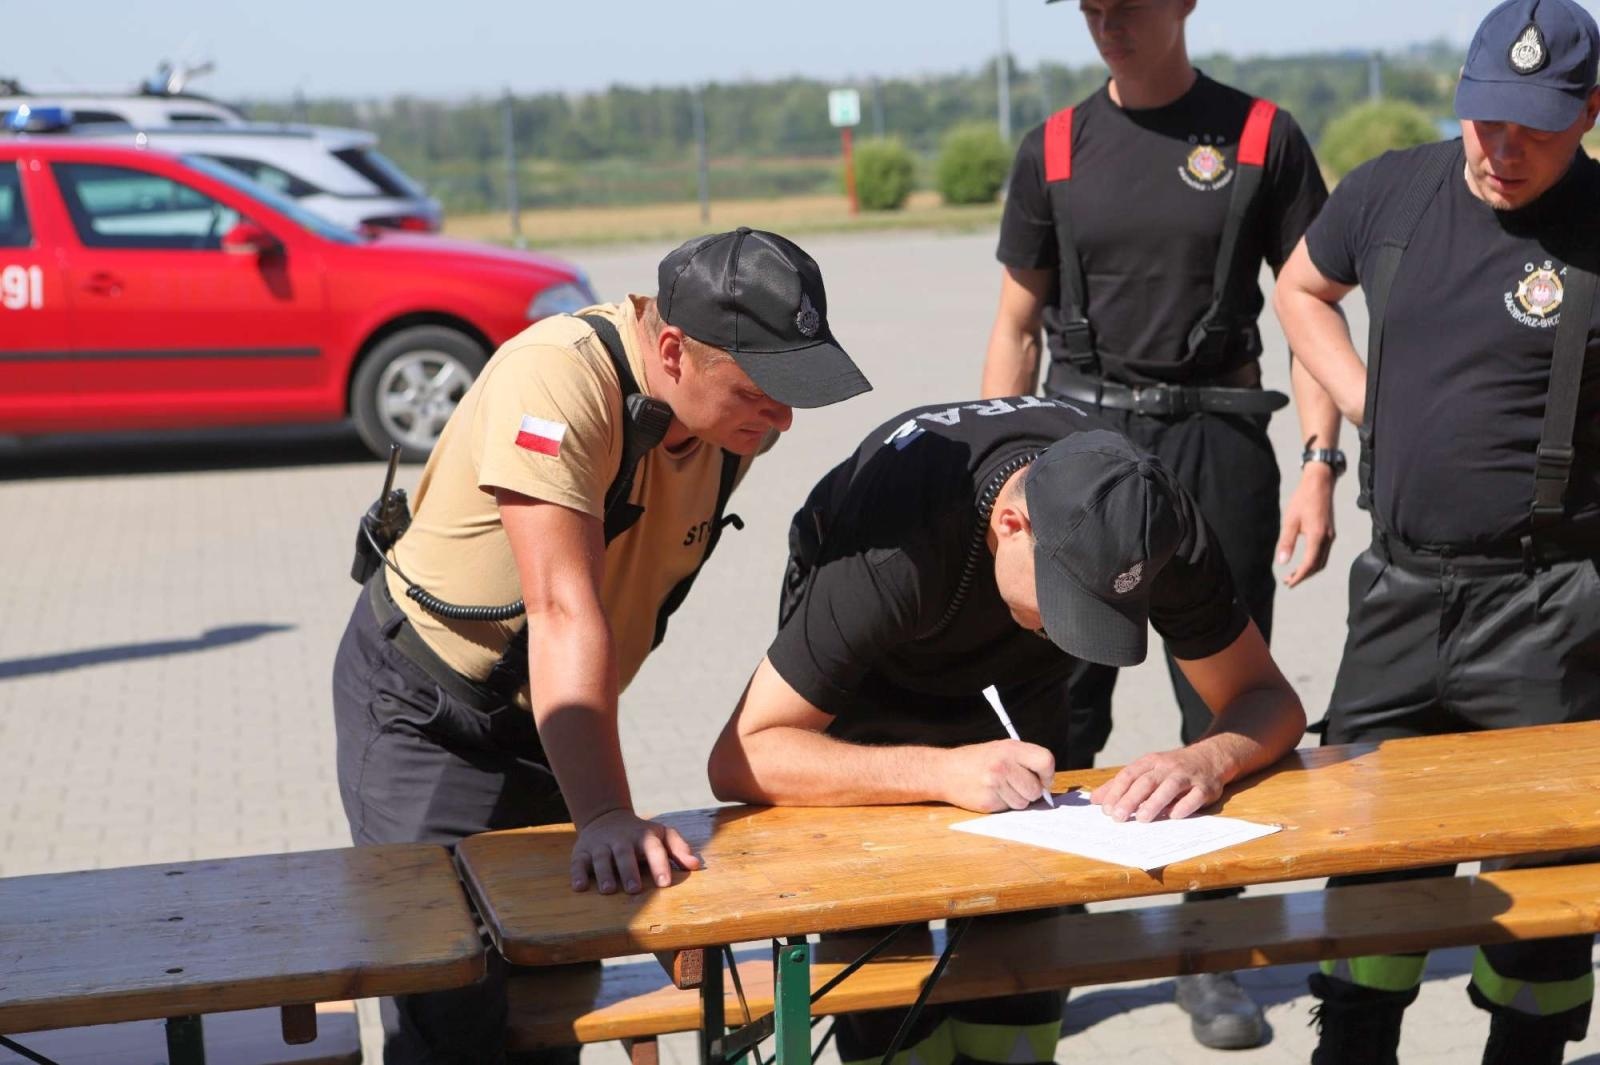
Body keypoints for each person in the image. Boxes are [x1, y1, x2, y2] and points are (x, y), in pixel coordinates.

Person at [331, 227, 870, 1064]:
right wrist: (608, 812)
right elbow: (561, 609)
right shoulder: (555, 379)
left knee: (555, 989)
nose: (784, 418)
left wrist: (599, 808)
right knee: (451, 996)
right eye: (764, 388)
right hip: (429, 711)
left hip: (550, 716)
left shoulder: (728, 422)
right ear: (672, 351)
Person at [707, 396, 1307, 1065]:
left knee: (1021, 958)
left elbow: (1267, 698)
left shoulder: (1145, 518)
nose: (1069, 629)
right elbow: (744, 755)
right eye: (1066, 603)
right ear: (1011, 524)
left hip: (1018, 705)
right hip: (866, 703)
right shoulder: (892, 543)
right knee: (887, 981)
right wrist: (942, 771)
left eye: (1105, 612)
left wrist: (1209, 758)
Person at [980, 0, 1337, 1045]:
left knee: (1222, 712)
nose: (1109, 20)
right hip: (1075, 445)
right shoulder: (1052, 147)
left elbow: (1309, 307)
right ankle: (1043, 933)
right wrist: (994, 479)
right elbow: (1014, 325)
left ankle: (1208, 949)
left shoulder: (1261, 136)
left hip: (1215, 442)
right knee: (1056, 704)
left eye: (1129, 1)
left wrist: (1319, 463)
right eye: (1092, 5)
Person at [1273, 2, 1600, 1061]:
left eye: (1534, 129)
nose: (1502, 149)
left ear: (1589, 112)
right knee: (1373, 869)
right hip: (1400, 598)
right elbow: (1301, 288)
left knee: (1547, 895)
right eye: (1486, 120)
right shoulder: (1389, 191)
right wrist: (1364, 408)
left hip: (1549, 609)